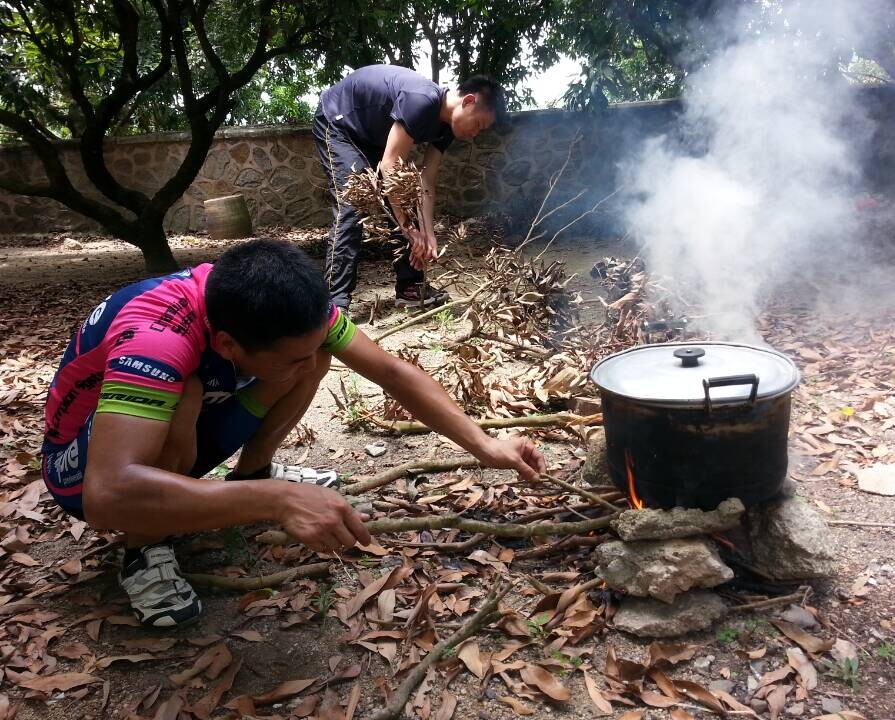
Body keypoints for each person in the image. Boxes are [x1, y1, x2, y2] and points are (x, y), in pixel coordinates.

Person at [41, 239, 545, 628]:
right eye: (289, 357)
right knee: (185, 394)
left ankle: (252, 474)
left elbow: (392, 372)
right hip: (82, 472)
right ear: (227, 344)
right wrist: (279, 502)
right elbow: (107, 495)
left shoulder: (283, 307)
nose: (307, 369)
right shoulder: (158, 337)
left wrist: (486, 445)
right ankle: (144, 551)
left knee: (314, 356)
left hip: (169, 439)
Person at [313, 64, 506, 310]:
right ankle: (334, 303)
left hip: (373, 136)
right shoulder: (421, 100)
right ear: (468, 101)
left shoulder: (447, 128)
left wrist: (427, 232)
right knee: (351, 207)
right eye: (478, 124)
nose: (475, 133)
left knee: (407, 198)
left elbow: (426, 180)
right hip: (339, 122)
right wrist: (408, 228)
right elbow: (390, 165)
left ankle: (410, 287)